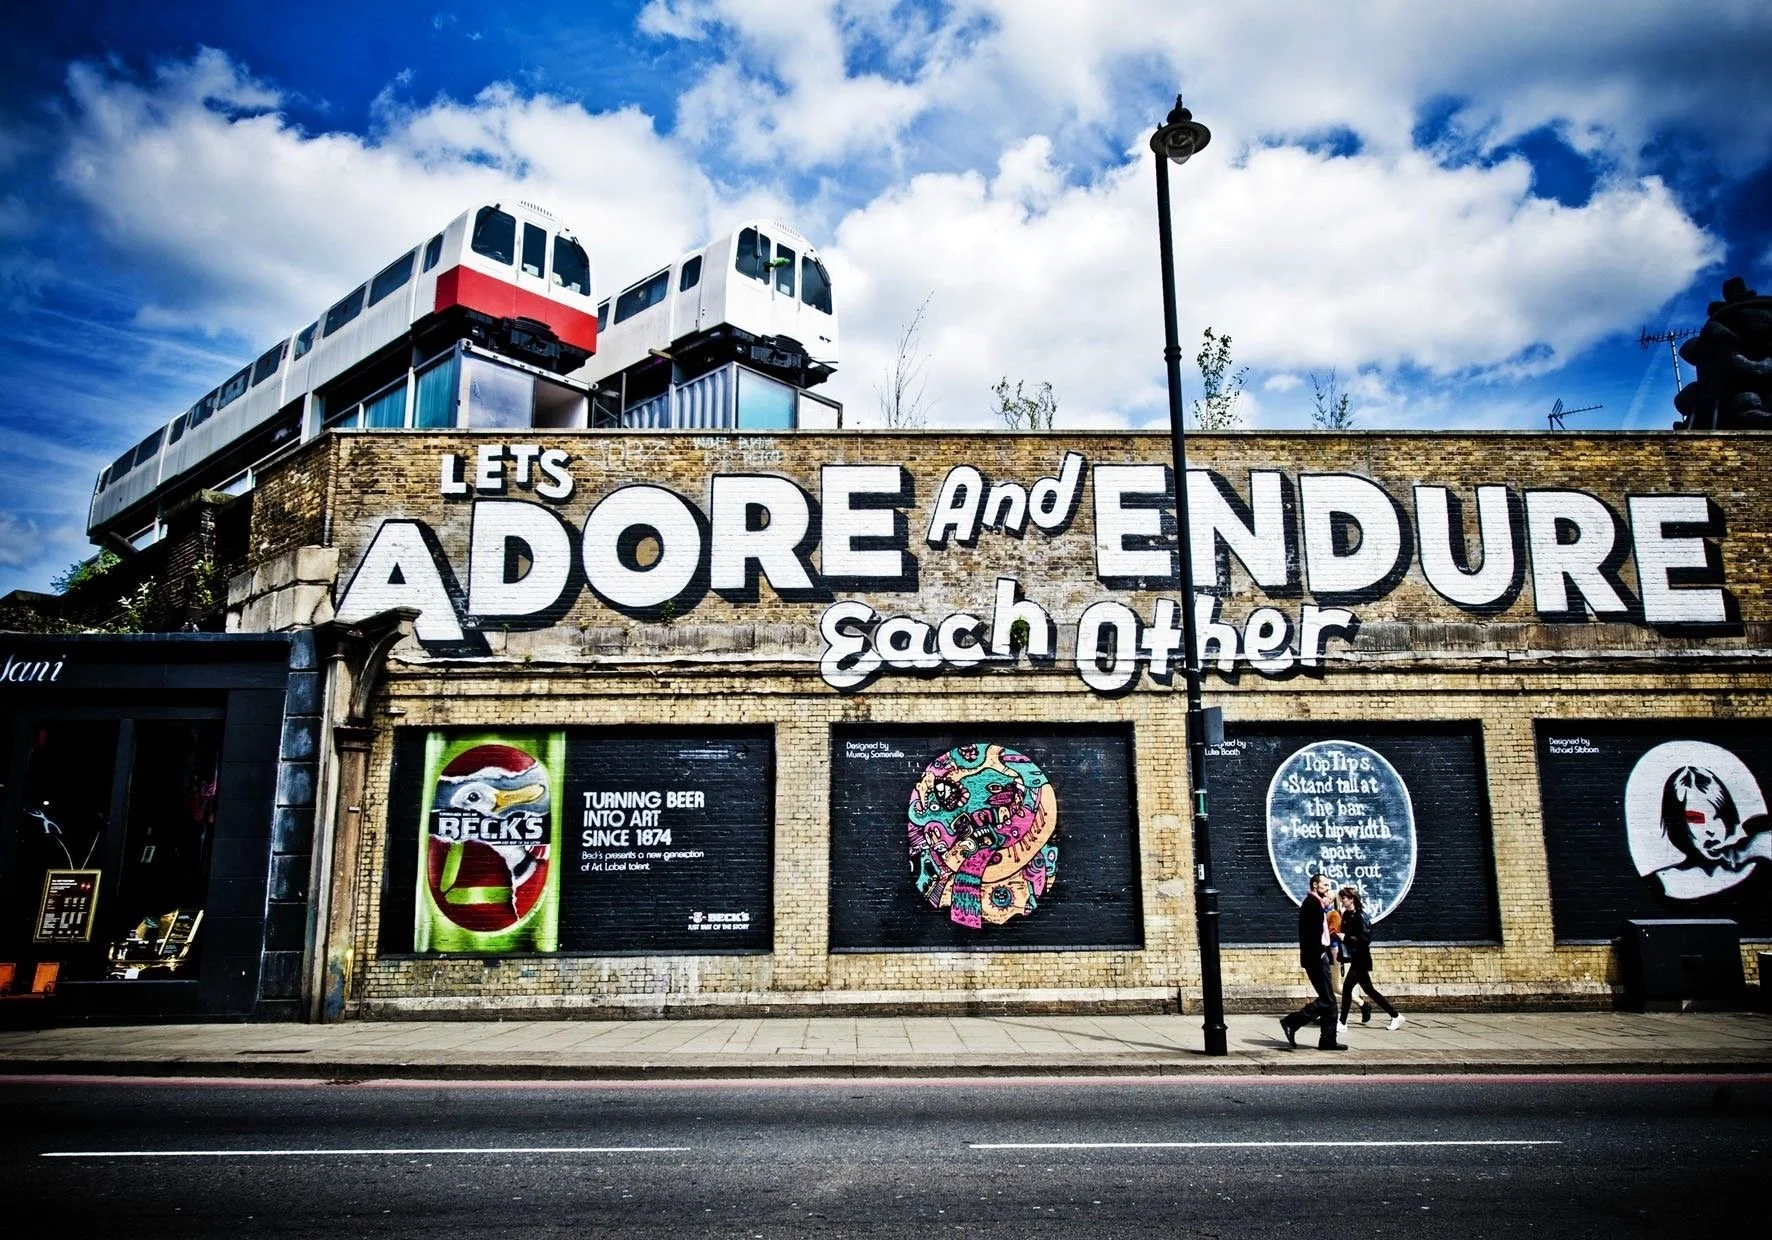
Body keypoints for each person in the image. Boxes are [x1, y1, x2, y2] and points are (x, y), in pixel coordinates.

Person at [1279, 873, 1346, 1050]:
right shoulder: (1312, 904)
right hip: (1316, 958)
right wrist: (1321, 954)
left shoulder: (1315, 903)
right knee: (1327, 1000)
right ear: (1315, 885)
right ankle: (1291, 1022)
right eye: (1325, 884)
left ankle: (1328, 1041)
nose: (1328, 888)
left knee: (1329, 1000)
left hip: (1317, 957)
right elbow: (1312, 934)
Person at [1337, 886, 1403, 1032]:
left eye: (1344, 898)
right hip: (1356, 958)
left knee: (1348, 988)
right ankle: (1395, 1015)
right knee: (1369, 990)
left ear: (1352, 899)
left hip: (1361, 959)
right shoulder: (1347, 915)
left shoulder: (1361, 916)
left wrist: (1346, 938)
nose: (1342, 901)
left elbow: (1365, 939)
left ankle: (1342, 1023)